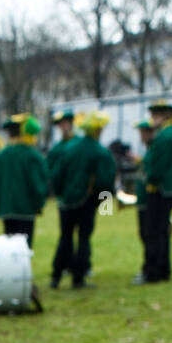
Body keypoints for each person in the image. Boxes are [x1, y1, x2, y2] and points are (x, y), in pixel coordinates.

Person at [50, 111, 115, 289]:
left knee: (65, 237)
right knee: (84, 238)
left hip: (65, 202)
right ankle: (78, 277)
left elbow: (56, 175)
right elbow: (105, 181)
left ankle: (56, 275)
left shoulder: (68, 147)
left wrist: (61, 194)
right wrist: (104, 205)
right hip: (86, 201)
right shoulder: (99, 151)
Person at [136, 100, 172, 285]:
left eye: (156, 115)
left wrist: (148, 179)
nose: (153, 119)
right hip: (169, 189)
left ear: (165, 116)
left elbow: (158, 167)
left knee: (154, 231)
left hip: (161, 190)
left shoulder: (164, 136)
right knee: (162, 231)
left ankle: (153, 272)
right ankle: (164, 269)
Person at [0, 114, 49, 246]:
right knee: (25, 247)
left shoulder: (0, 156)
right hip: (26, 209)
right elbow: (37, 184)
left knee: (10, 247)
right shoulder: (32, 155)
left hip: (6, 209)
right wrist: (38, 203)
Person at [131, 119, 155, 283]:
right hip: (142, 199)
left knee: (149, 234)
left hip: (149, 200)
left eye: (144, 132)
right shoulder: (149, 150)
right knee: (145, 234)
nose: (141, 136)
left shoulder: (154, 149)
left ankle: (150, 269)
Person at [47, 108, 77, 192]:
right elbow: (50, 169)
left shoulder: (80, 143)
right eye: (60, 124)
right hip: (64, 189)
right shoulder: (56, 149)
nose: (63, 127)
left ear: (70, 123)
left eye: (65, 123)